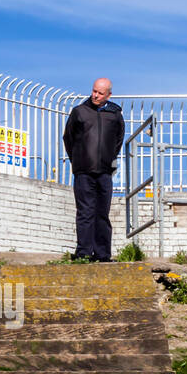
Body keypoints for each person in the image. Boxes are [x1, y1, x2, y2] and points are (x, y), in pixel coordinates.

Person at [62, 78, 125, 262]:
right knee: (85, 211)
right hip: (83, 170)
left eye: (100, 93)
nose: (96, 95)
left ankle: (103, 255)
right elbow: (68, 138)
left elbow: (118, 140)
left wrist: (108, 158)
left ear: (109, 95)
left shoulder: (115, 115)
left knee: (102, 213)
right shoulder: (79, 112)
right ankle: (83, 253)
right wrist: (78, 159)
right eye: (94, 91)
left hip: (105, 171)